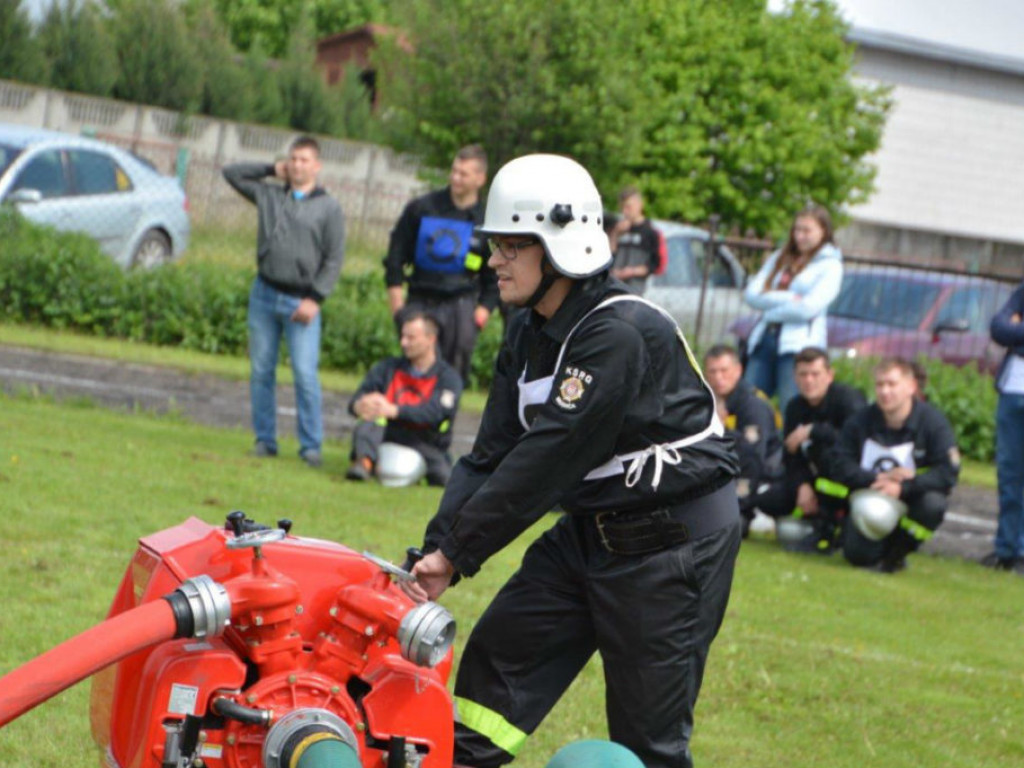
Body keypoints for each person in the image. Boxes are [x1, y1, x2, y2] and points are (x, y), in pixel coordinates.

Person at [400, 154, 741, 768]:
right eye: (493, 244)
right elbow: (490, 457)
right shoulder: (526, 330)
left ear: (559, 246)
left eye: (509, 245)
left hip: (670, 548)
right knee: (500, 656)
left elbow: (550, 456)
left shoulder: (619, 332)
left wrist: (461, 553)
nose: (493, 259)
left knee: (645, 742)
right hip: (590, 532)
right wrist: (436, 551)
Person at [223, 136, 345, 467]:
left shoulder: (328, 207)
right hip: (264, 294)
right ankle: (265, 439)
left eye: (304, 160)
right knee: (262, 370)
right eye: (292, 159)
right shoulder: (270, 195)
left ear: (316, 166)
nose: (297, 165)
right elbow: (231, 173)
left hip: (301, 301)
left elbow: (334, 259)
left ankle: (310, 446)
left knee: (305, 374)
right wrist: (270, 169)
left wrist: (315, 298)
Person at [827, 357, 959, 573]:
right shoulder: (860, 421)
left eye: (892, 384)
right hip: (869, 497)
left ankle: (898, 553)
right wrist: (876, 479)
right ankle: (857, 540)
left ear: (911, 387)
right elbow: (839, 463)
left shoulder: (933, 423)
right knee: (858, 557)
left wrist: (904, 487)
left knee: (933, 505)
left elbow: (948, 472)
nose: (885, 391)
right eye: (880, 384)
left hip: (911, 499)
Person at [384, 144, 498, 384]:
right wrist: (397, 306)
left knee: (452, 377)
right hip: (420, 300)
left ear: (480, 178)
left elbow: (495, 272)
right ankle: (407, 420)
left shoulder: (487, 220)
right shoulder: (422, 208)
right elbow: (395, 257)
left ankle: (445, 419)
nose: (455, 178)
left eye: (463, 174)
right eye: (454, 171)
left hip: (460, 307)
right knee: (413, 371)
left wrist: (483, 310)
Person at [751, 347, 866, 533]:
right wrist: (802, 485)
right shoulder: (795, 407)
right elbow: (790, 455)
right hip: (812, 478)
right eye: (803, 374)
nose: (809, 380)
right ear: (795, 377)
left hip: (848, 480)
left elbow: (855, 443)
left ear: (830, 375)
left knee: (825, 454)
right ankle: (810, 517)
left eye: (815, 374)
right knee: (768, 500)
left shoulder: (848, 399)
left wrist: (813, 430)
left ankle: (836, 521)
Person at [741, 205, 843, 413]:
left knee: (792, 407)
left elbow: (808, 308)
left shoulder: (830, 265)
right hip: (765, 338)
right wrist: (789, 298)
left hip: (798, 347)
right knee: (749, 402)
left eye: (807, 230)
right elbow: (752, 294)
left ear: (824, 231)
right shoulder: (780, 257)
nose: (800, 236)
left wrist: (770, 311)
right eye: (797, 229)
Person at [346, 312, 462, 487]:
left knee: (443, 477)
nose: (403, 343)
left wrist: (394, 410)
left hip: (424, 441)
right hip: (388, 434)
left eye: (411, 338)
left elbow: (436, 412)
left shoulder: (448, 378)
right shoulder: (387, 368)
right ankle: (364, 463)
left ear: (430, 339)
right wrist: (360, 405)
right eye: (403, 336)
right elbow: (357, 398)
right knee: (368, 425)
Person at [703, 344, 782, 536]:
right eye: (712, 371)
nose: (718, 377)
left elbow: (753, 455)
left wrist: (721, 429)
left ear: (738, 370)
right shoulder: (707, 400)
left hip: (763, 483)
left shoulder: (753, 404)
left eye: (724, 370)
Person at [982, 282, 1024, 574]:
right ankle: (1005, 548)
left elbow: (1011, 331)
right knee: (1010, 473)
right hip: (1013, 389)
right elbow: (999, 329)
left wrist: (1018, 328)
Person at [608, 186, 663, 295]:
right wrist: (615, 234)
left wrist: (631, 271)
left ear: (639, 205)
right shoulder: (619, 229)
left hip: (636, 290)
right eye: (622, 208)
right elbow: (609, 255)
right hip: (614, 287)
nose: (625, 212)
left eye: (628, 207)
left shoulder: (650, 232)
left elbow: (655, 265)